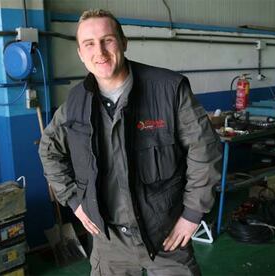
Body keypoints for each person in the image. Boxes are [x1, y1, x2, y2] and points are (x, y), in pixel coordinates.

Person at [39, 9, 221, 276]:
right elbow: (49, 150)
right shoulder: (75, 104)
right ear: (80, 53)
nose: (99, 51)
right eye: (89, 44)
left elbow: (204, 150)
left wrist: (192, 214)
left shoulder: (168, 89)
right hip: (109, 241)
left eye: (107, 40)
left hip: (166, 236)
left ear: (123, 43)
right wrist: (75, 202)